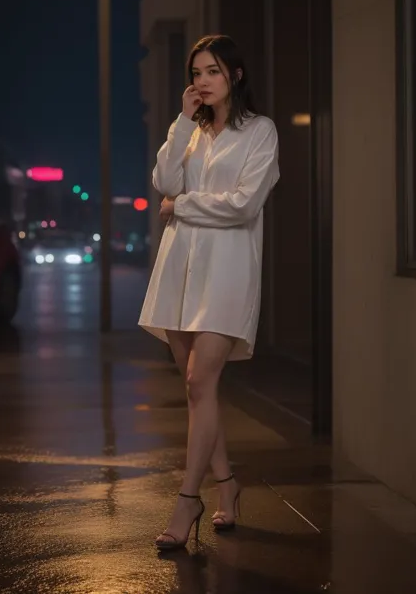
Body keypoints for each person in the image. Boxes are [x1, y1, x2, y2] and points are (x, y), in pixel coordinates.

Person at [138, 34, 280, 550]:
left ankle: (187, 499)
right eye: (196, 72)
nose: (202, 81)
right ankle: (228, 485)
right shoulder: (192, 131)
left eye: (213, 71)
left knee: (201, 380)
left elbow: (243, 205)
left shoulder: (260, 132)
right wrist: (180, 122)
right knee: (199, 390)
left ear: (235, 75)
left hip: (227, 271)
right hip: (179, 269)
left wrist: (183, 206)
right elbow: (163, 179)